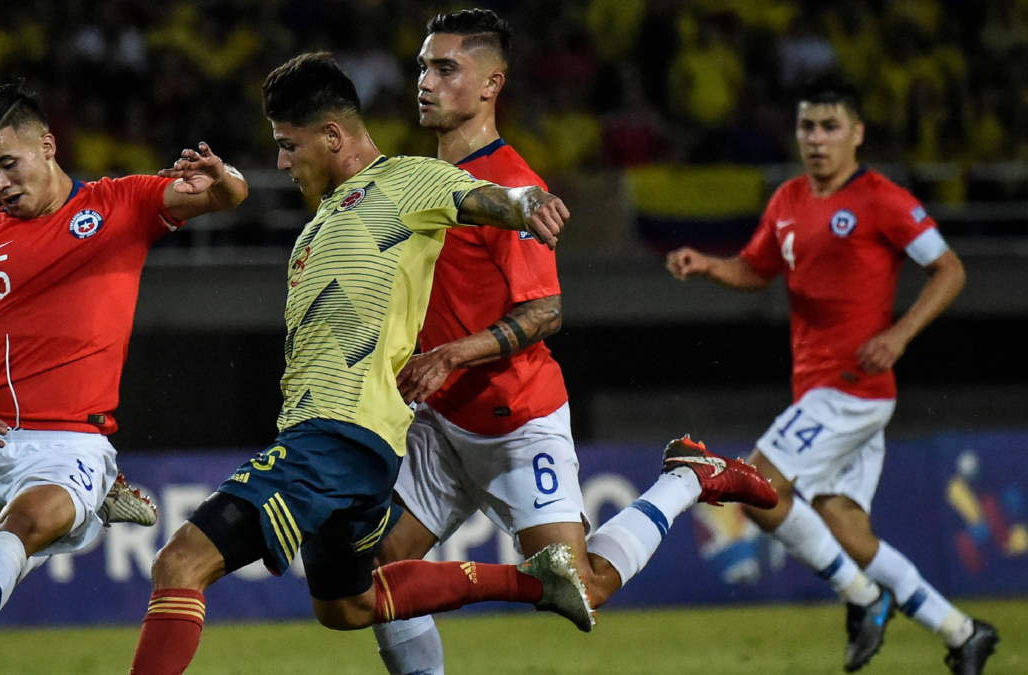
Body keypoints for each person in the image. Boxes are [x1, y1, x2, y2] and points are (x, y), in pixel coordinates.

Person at [128, 51, 600, 675]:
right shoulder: (321, 222)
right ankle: (536, 583)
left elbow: (488, 197)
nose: (282, 162)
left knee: (180, 564)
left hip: (337, 438)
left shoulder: (408, 181)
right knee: (348, 605)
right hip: (348, 442)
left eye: (288, 145)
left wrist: (526, 201)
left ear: (332, 135)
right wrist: (221, 180)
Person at [369, 11, 780, 675]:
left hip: (516, 421)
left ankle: (688, 478)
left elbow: (546, 310)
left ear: (490, 85)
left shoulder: (512, 188)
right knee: (383, 568)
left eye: (446, 69)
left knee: (579, 589)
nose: (426, 81)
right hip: (444, 419)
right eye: (422, 66)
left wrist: (452, 353)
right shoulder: (425, 177)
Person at [0, 82, 249, 675]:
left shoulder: (120, 203)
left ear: (47, 146)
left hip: (69, 438)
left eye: (8, 164)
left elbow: (229, 195)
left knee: (24, 526)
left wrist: (222, 175)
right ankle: (97, 501)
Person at [667, 74, 998, 675]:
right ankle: (963, 631)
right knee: (848, 531)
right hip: (819, 390)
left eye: (830, 127)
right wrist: (710, 265)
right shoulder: (788, 200)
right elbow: (756, 268)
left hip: (852, 387)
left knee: (756, 488)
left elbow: (950, 269)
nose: (817, 138)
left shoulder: (884, 199)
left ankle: (863, 598)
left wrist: (899, 335)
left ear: (857, 134)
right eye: (807, 127)